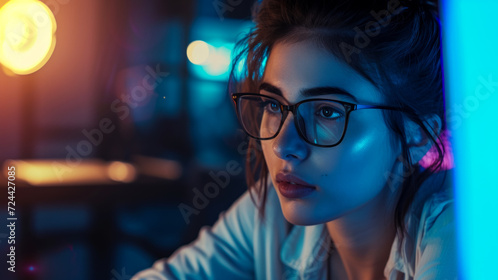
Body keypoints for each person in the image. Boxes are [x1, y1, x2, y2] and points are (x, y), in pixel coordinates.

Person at [132, 0, 457, 279]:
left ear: (415, 137)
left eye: (327, 112)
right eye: (274, 105)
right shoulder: (270, 213)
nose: (282, 145)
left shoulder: (458, 234)